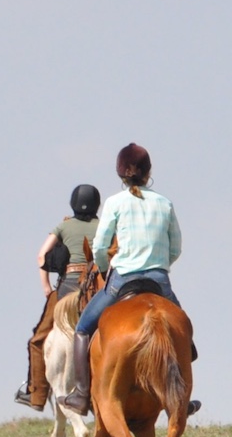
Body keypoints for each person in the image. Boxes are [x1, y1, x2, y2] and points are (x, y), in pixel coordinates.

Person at [57, 143, 198, 416]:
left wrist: (102, 267)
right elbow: (176, 247)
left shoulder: (114, 203)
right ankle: (183, 398)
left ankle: (82, 395)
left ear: (121, 173)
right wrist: (160, 266)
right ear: (148, 172)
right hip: (159, 281)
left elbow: (99, 247)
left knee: (83, 329)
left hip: (121, 280)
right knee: (185, 333)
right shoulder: (164, 203)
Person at [13, 184, 101, 409]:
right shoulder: (102, 226)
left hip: (66, 288)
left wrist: (46, 287)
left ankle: (36, 395)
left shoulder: (64, 225)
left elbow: (42, 256)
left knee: (38, 340)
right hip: (96, 288)